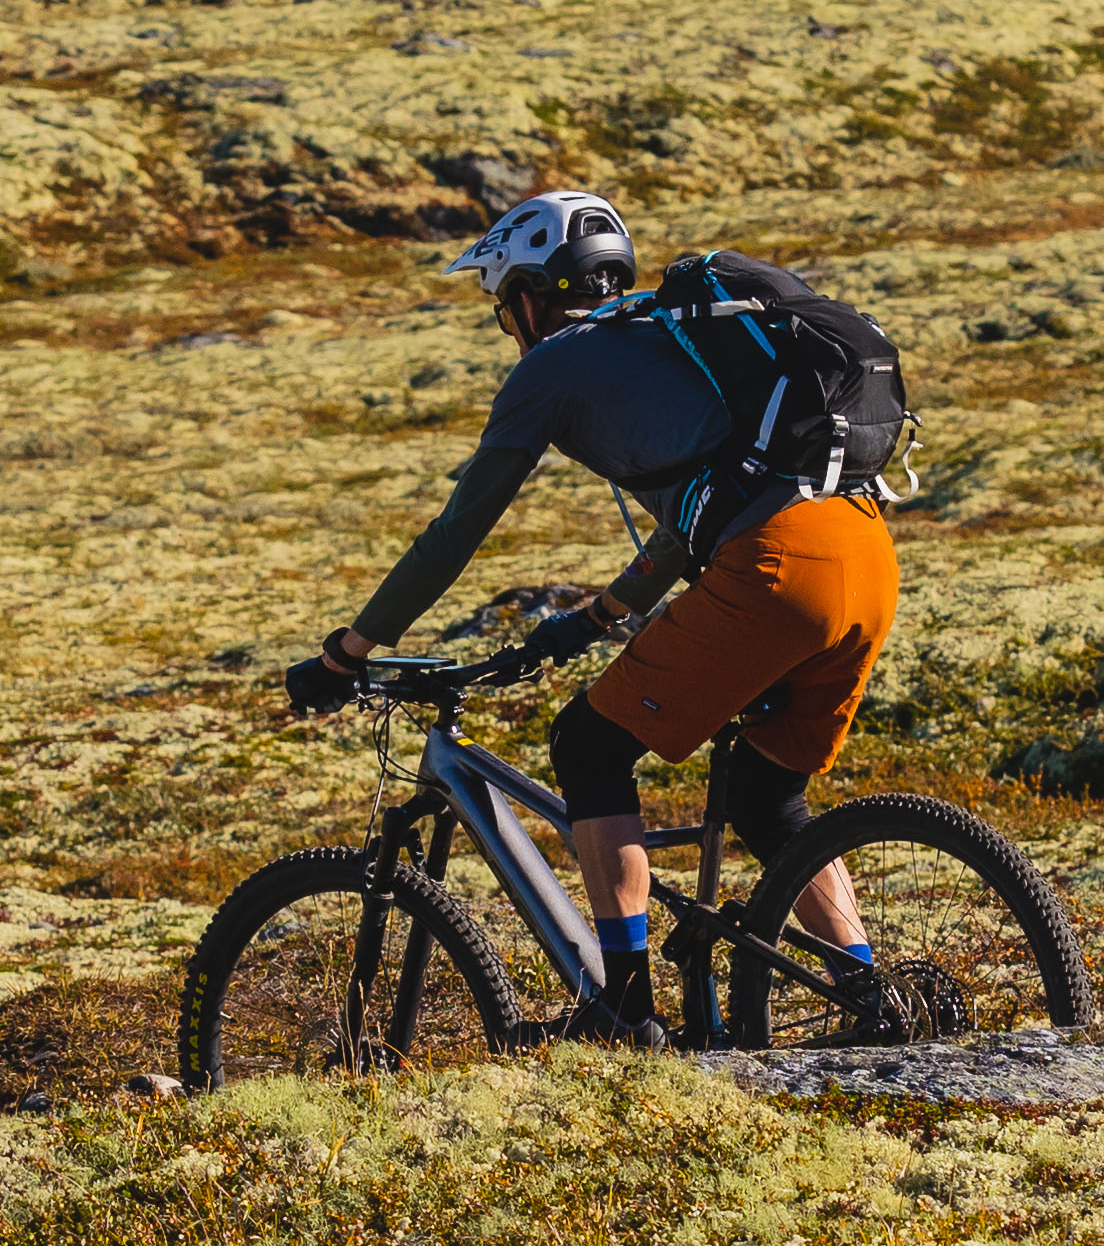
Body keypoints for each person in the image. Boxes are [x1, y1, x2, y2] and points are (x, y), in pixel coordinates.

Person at [287, 188, 896, 1041]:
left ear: (531, 296)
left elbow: (457, 530)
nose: (508, 325)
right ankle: (872, 997)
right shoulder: (666, 336)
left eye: (505, 305)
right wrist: (598, 614)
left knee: (587, 746)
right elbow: (698, 520)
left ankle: (625, 1005)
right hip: (864, 555)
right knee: (767, 800)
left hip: (778, 568)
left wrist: (348, 652)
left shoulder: (553, 366)